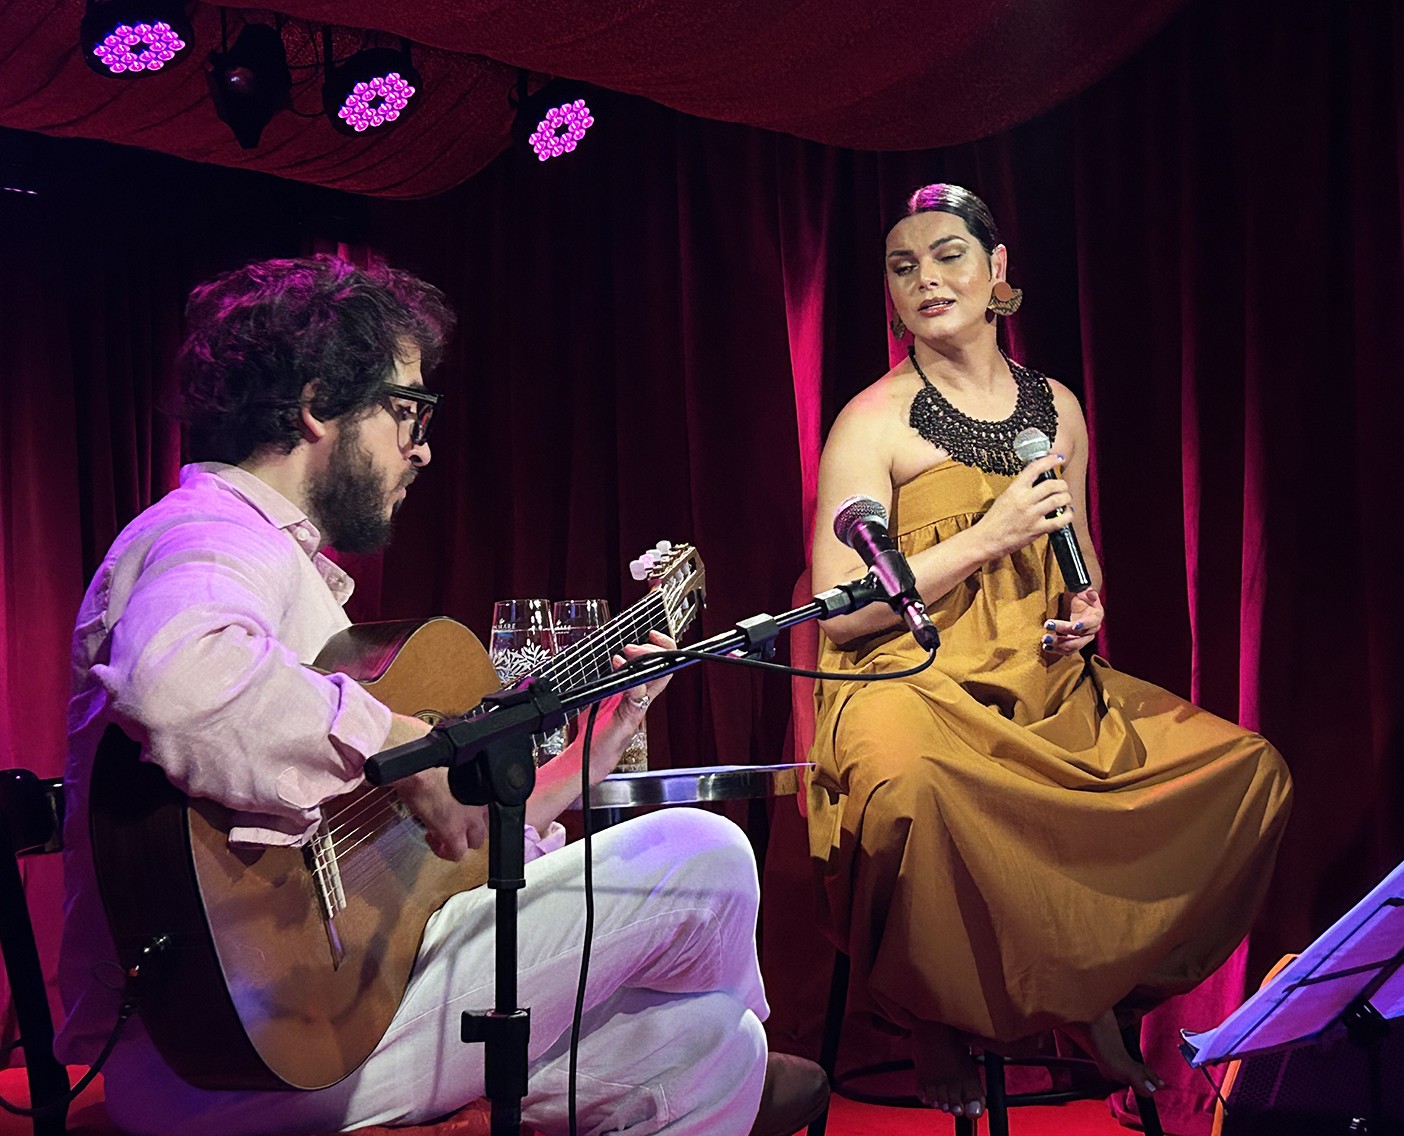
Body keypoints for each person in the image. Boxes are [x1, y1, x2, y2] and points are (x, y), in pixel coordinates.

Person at [56, 254, 825, 1136]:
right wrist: (405, 752)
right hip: (225, 1053)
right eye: (408, 410)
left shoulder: (283, 566)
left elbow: (429, 858)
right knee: (705, 854)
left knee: (711, 1042)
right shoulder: (212, 532)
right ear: (317, 405)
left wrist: (584, 758)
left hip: (314, 1022)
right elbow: (181, 681)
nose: (421, 447)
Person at [806, 184, 1293, 1120]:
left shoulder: (1057, 408)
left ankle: (1094, 991)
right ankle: (935, 1017)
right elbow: (842, 612)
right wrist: (986, 536)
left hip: (1045, 680)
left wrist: (1086, 607)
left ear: (997, 270)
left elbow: (1079, 551)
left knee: (1248, 771)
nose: (926, 278)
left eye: (948, 255)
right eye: (903, 267)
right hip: (911, 679)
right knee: (913, 786)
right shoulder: (872, 419)